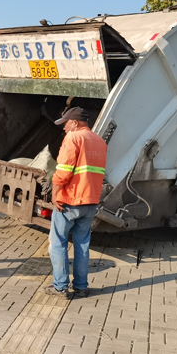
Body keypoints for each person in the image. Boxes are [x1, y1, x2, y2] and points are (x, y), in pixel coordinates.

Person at [45, 107, 107, 298]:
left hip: (69, 201)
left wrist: (55, 193)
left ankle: (60, 287)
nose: (64, 128)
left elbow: (63, 171)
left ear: (75, 123)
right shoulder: (100, 141)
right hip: (90, 202)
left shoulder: (73, 138)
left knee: (57, 244)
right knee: (82, 245)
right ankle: (81, 287)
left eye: (66, 123)